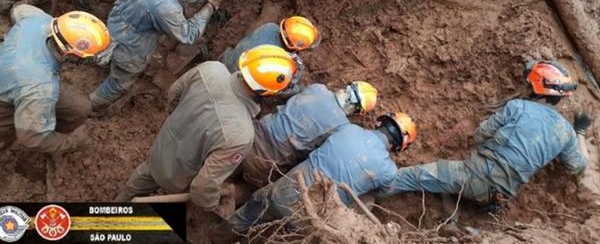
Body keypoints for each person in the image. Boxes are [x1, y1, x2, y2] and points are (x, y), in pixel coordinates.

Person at [375, 61, 589, 216]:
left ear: (537, 88)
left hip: (474, 177)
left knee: (408, 177)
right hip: (498, 198)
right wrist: (580, 132)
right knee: (447, 182)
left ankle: (359, 202)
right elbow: (578, 167)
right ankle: (452, 223)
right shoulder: (566, 132)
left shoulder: (518, 107)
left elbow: (480, 134)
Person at [116, 45, 298, 217]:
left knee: (140, 180)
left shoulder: (211, 69)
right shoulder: (241, 134)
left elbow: (174, 93)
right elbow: (202, 187)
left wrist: (182, 120)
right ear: (268, 93)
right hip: (179, 177)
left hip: (161, 147)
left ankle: (116, 207)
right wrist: (212, 204)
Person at [88, 0, 228, 115]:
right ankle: (91, 108)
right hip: (133, 46)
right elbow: (188, 35)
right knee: (120, 83)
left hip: (117, 19)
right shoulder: (165, 6)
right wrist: (212, 3)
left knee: (111, 47)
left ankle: (108, 58)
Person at [227, 112, 418, 234]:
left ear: (381, 122)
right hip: (307, 219)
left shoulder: (348, 129)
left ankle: (217, 236)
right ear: (400, 147)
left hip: (281, 192)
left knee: (249, 212)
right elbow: (383, 191)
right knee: (368, 198)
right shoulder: (388, 171)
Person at [0, 4, 110, 153]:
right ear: (69, 54)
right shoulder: (42, 88)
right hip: (7, 98)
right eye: (89, 57)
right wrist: (74, 141)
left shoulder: (39, 20)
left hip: (15, 76)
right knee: (7, 135)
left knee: (78, 107)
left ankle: (50, 130)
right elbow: (31, 139)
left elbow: (18, 9)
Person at [242, 81, 379, 187]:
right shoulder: (341, 127)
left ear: (347, 88)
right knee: (254, 189)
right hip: (265, 162)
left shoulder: (318, 88)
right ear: (358, 111)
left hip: (250, 134)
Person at [218, 16, 320, 73]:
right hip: (236, 79)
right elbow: (281, 89)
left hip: (224, 61)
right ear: (293, 46)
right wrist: (297, 89)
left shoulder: (269, 27)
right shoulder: (281, 61)